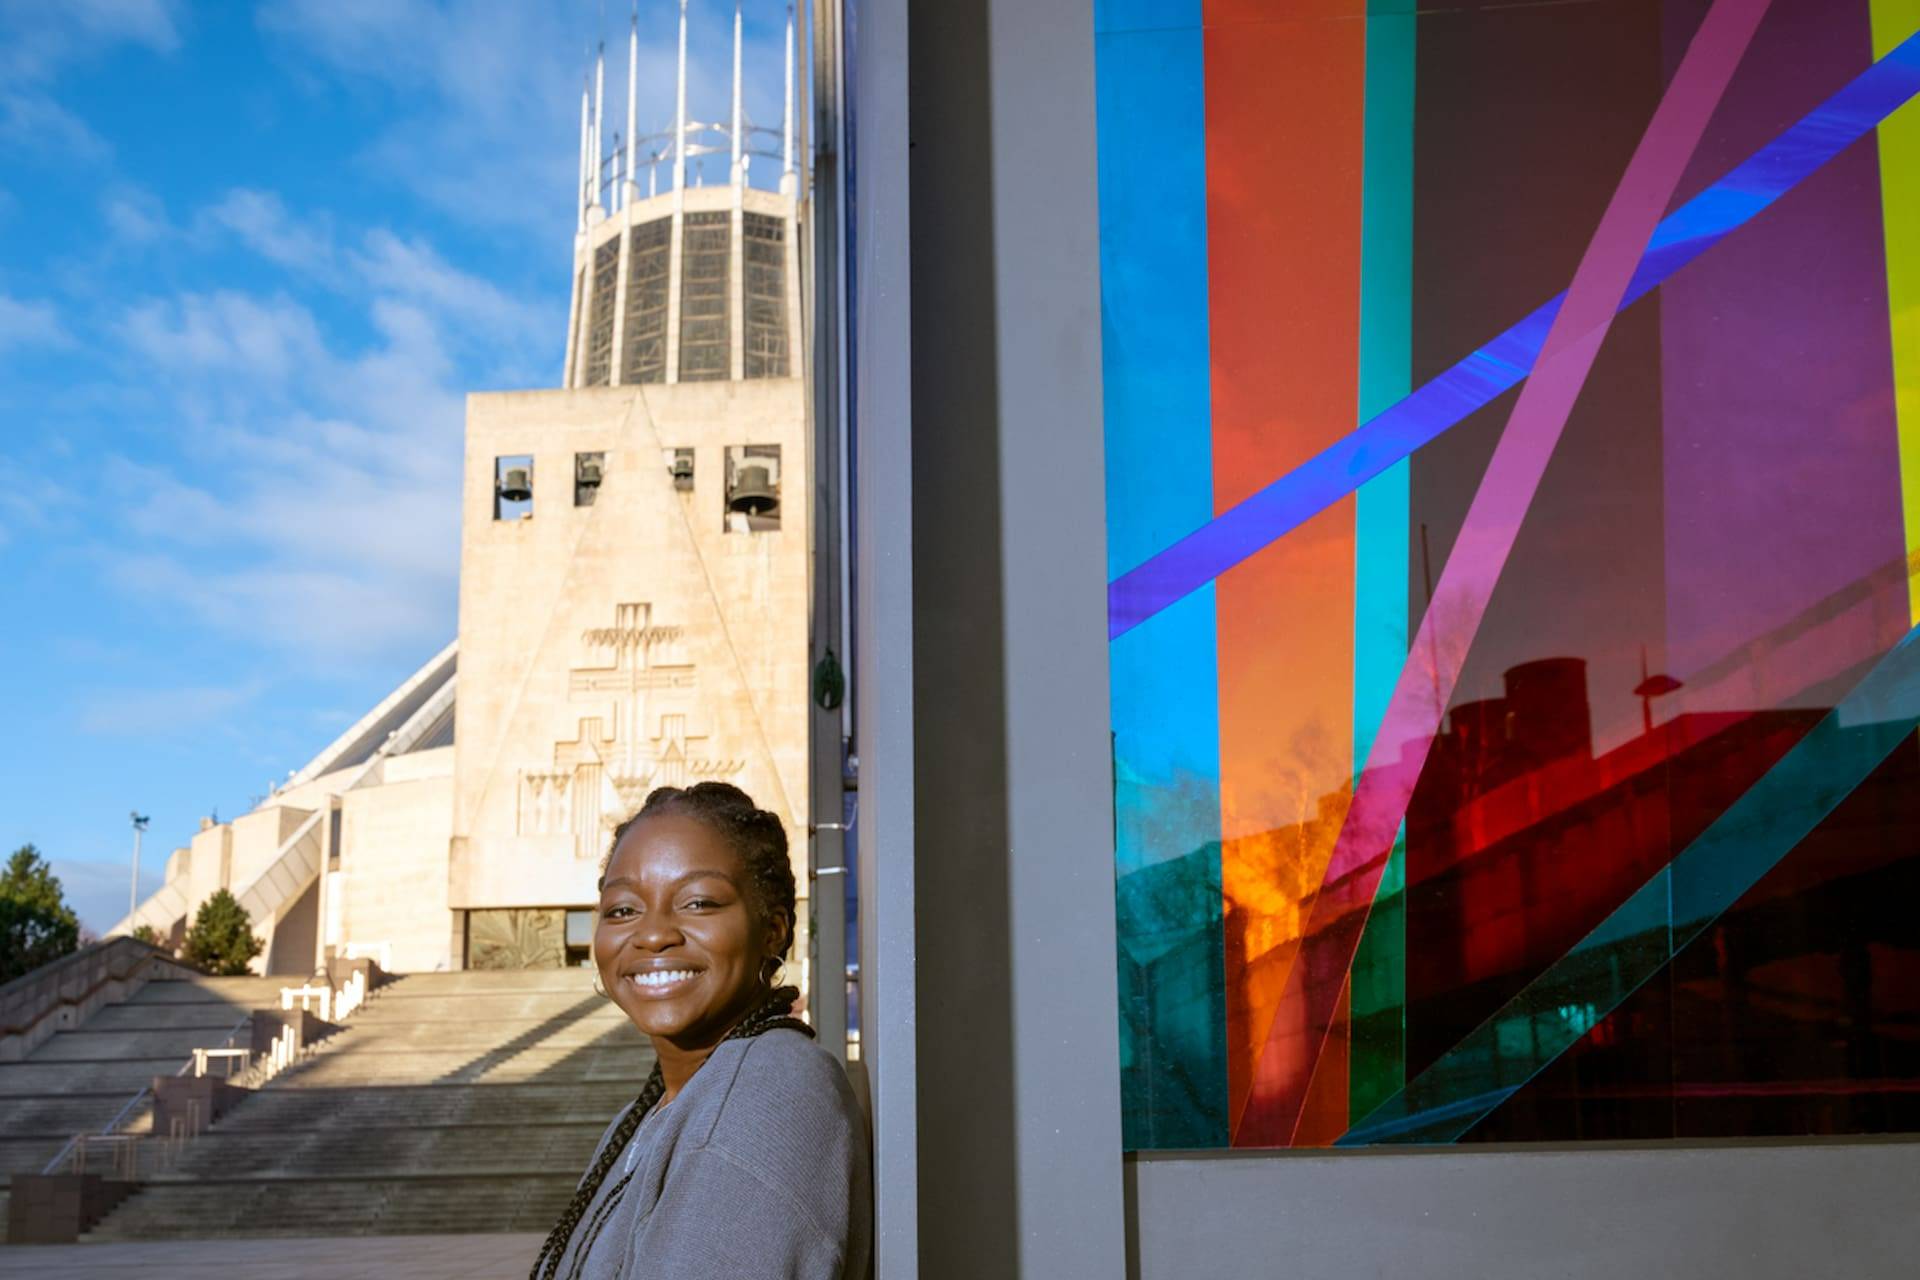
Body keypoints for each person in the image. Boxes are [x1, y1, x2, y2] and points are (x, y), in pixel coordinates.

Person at [531, 782, 871, 1280]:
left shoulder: (769, 1093)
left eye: (699, 903)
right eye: (623, 909)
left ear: (772, 930)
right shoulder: (652, 1110)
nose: (652, 933)